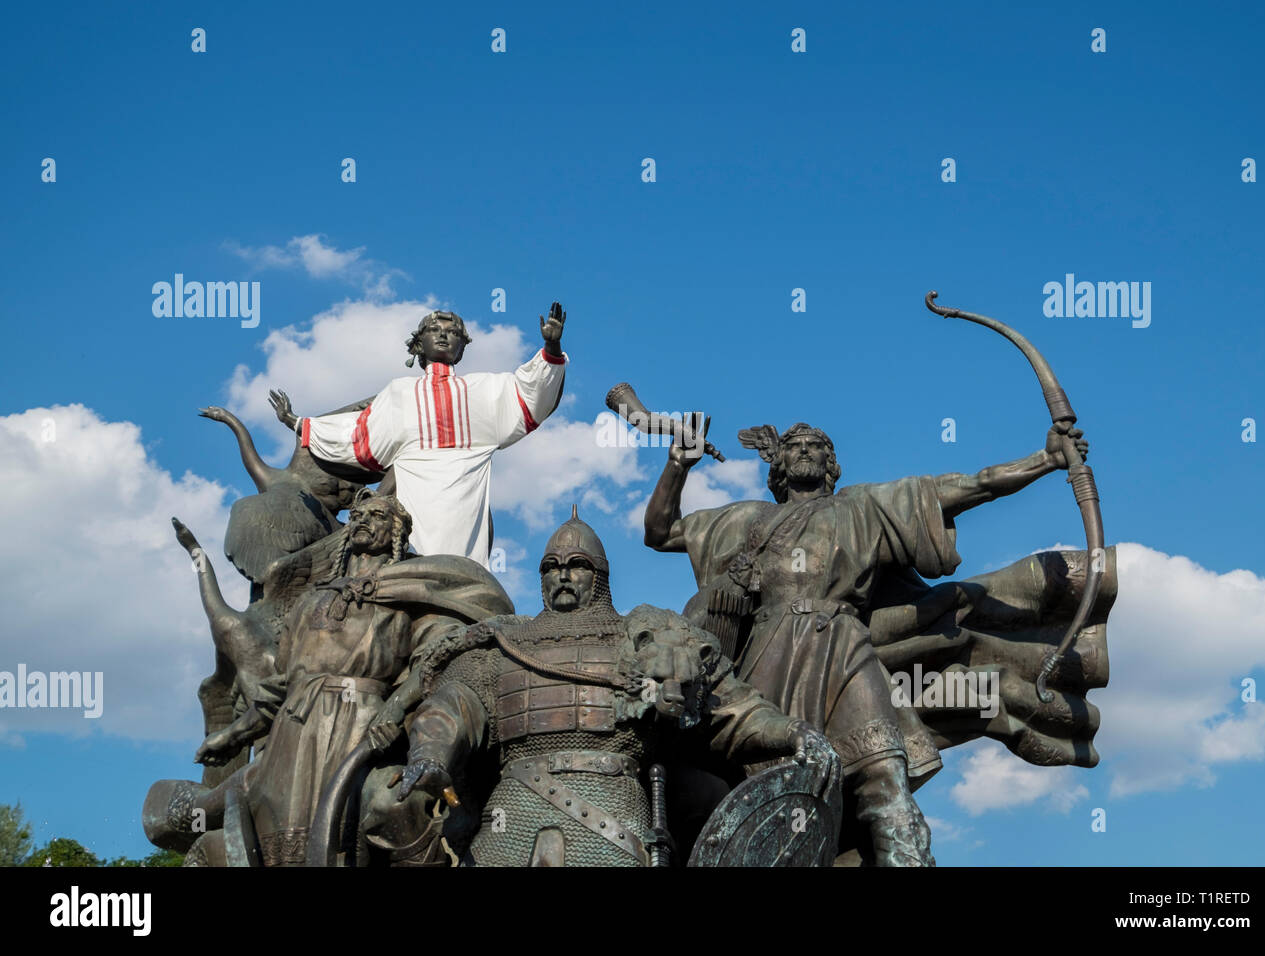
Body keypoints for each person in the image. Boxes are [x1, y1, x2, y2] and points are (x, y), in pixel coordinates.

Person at [642, 419, 1090, 865]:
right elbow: (661, 532)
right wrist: (678, 465)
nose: (803, 451)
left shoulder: (865, 507)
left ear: (830, 463)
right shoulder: (744, 519)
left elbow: (972, 486)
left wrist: (1045, 459)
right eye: (793, 445)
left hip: (841, 647)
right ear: (776, 462)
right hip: (766, 657)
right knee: (770, 792)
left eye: (815, 445)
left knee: (885, 775)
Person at [396, 508, 838, 867]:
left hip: (614, 815)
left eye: (577, 566)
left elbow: (731, 709)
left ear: (601, 575)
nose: (563, 575)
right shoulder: (504, 646)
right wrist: (429, 754)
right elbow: (451, 707)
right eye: (551, 567)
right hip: (510, 817)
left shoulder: (646, 635)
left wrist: (793, 732)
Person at [269, 303, 568, 565]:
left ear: (462, 346)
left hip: (465, 502)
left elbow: (529, 394)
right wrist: (297, 422)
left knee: (461, 571)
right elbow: (358, 435)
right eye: (434, 329)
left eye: (452, 332)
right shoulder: (399, 393)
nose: (442, 335)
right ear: (418, 343)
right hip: (410, 507)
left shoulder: (484, 390)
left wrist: (551, 349)